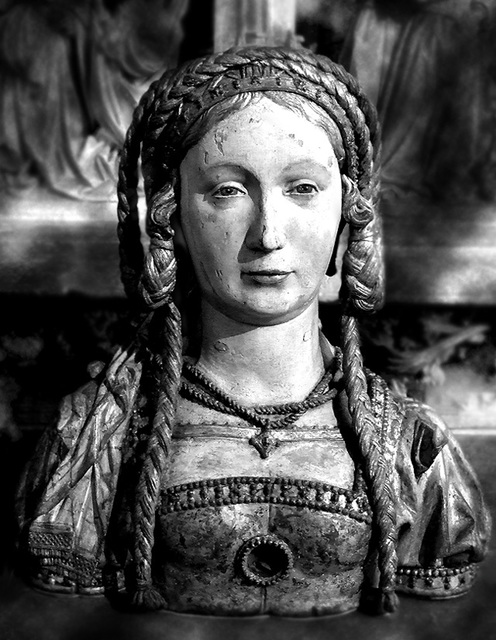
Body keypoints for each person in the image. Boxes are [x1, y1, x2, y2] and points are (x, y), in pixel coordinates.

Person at [16, 46, 490, 617]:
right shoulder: (97, 444)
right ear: (173, 221)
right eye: (228, 191)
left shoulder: (417, 454)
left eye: (303, 189)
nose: (268, 233)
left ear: (350, 215)